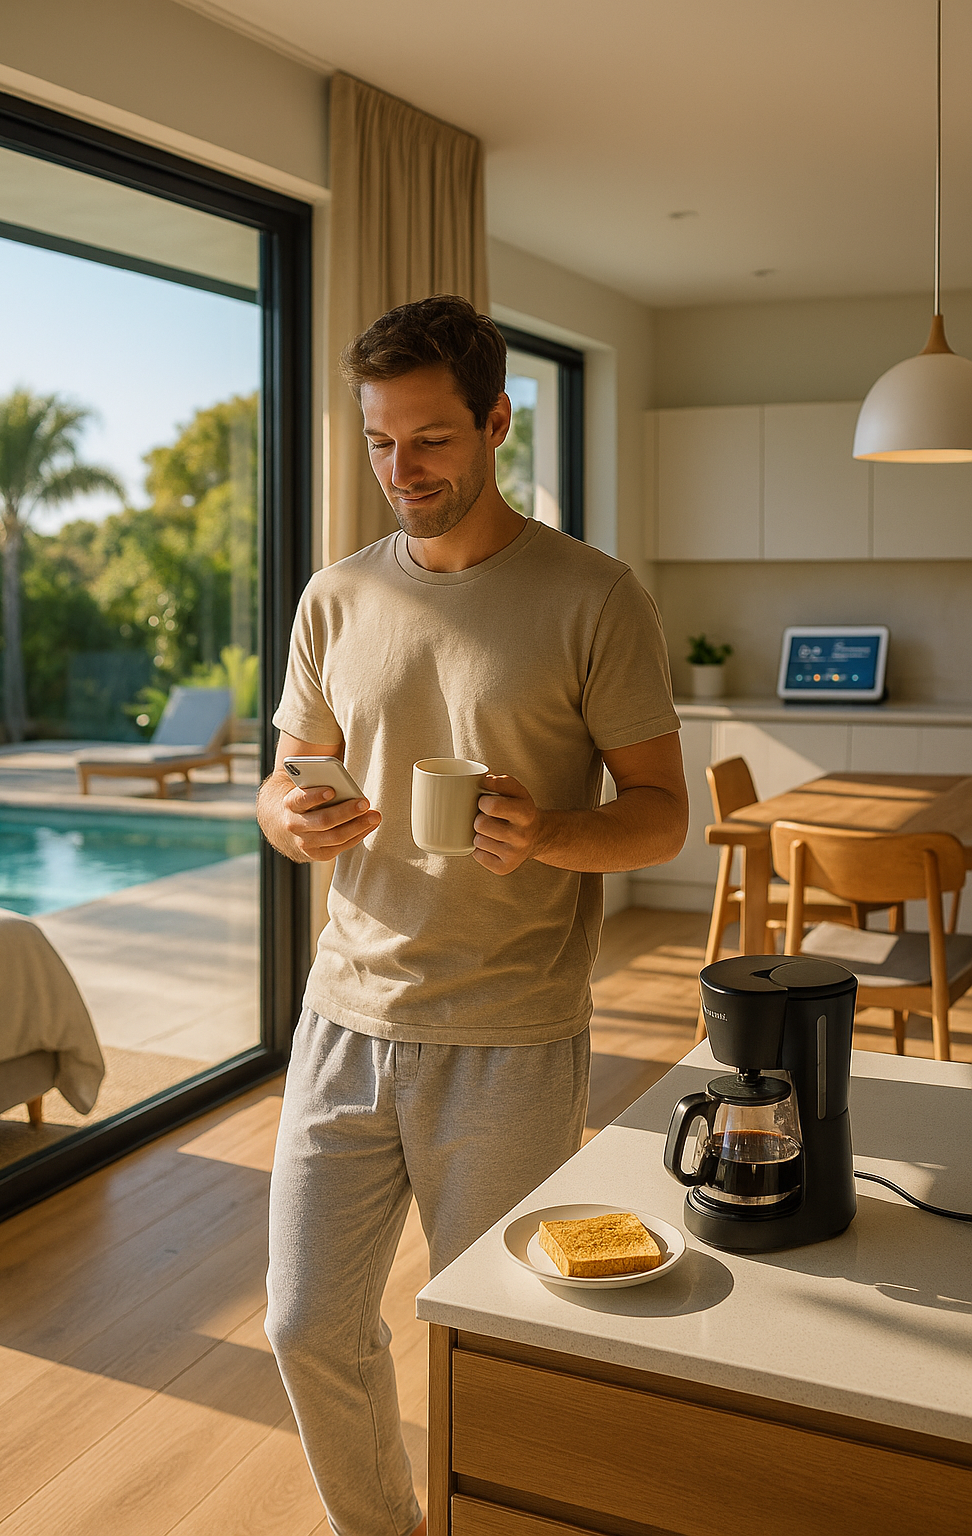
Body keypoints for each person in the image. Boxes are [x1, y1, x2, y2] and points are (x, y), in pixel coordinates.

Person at [258, 294, 687, 1536]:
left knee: (505, 1335)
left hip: (509, 1031)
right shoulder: (333, 597)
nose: (403, 471)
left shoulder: (594, 597)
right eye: (382, 443)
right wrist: (291, 822)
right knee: (304, 1323)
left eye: (432, 440)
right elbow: (286, 785)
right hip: (345, 1018)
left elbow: (659, 814)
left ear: (498, 421)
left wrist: (551, 831)